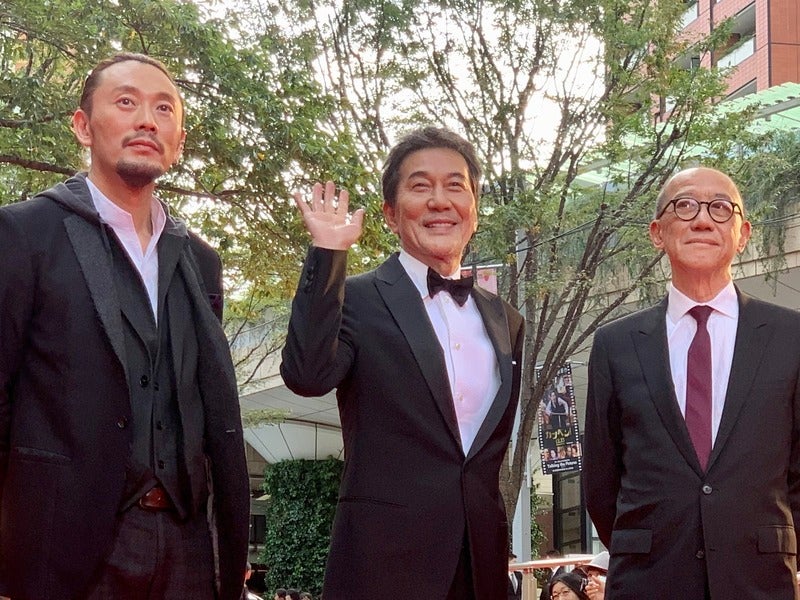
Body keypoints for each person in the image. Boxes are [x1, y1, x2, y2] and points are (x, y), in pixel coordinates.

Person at [0, 53, 250, 600]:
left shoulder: (200, 260)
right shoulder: (22, 233)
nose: (146, 121)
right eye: (126, 102)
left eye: (164, 109)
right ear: (83, 126)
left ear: (178, 141)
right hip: (63, 542)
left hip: (186, 543)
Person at [280, 127, 525, 599]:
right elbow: (306, 376)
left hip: (480, 567)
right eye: (420, 186)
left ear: (474, 209)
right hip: (382, 566)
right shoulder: (356, 298)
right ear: (391, 214)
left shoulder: (505, 319)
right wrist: (328, 253)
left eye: (455, 186)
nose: (439, 201)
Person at [583, 167, 800, 599]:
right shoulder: (615, 344)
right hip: (648, 580)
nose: (702, 219)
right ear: (657, 233)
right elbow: (601, 481)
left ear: (743, 234)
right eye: (684, 206)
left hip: (759, 581)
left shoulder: (790, 336)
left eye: (720, 208)